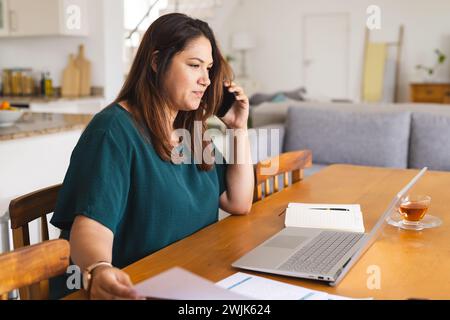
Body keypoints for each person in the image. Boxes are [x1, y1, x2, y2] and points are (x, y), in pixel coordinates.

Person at [49, 13, 254, 300]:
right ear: (157, 62)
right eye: (194, 65)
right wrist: (100, 269)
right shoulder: (113, 130)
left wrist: (238, 128)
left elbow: (239, 201)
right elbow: (91, 225)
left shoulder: (188, 129)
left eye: (208, 68)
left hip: (189, 279)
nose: (206, 80)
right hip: (129, 289)